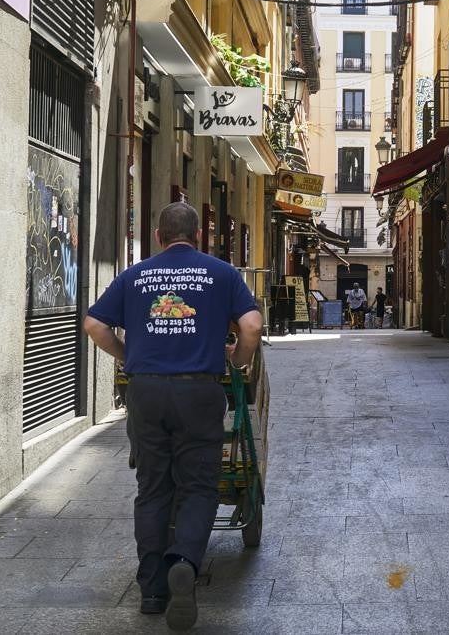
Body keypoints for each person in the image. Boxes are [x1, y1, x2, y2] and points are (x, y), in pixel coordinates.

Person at [82, 202, 262, 631]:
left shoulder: (135, 275)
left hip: (146, 392)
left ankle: (153, 589)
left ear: (159, 237)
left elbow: (93, 324)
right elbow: (252, 326)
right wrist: (237, 359)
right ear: (198, 236)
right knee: (198, 486)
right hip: (199, 391)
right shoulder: (221, 273)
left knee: (152, 486)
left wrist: (128, 358)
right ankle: (183, 560)